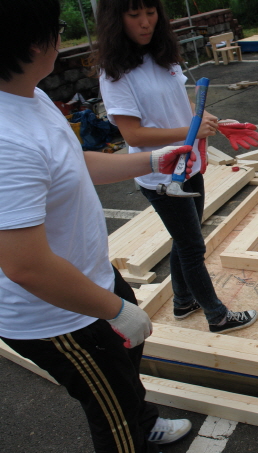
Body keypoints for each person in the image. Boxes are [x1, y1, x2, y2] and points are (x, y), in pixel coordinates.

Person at [0, 0, 205, 449]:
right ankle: (134, 433)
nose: (61, 37)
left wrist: (152, 160)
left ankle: (144, 421)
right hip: (56, 314)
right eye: (57, 28)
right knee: (112, 412)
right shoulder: (7, 141)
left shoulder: (30, 95)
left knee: (126, 369)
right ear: (35, 44)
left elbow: (75, 165)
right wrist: (114, 310)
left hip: (88, 275)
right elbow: (25, 266)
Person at [97, 0, 258, 333]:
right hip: (161, 174)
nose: (145, 22)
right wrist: (191, 131)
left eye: (150, 13)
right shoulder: (115, 73)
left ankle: (183, 301)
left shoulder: (161, 55)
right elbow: (132, 134)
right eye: (134, 15)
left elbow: (181, 102)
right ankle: (217, 316)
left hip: (190, 164)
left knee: (185, 240)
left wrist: (213, 123)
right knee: (192, 246)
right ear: (117, 20)